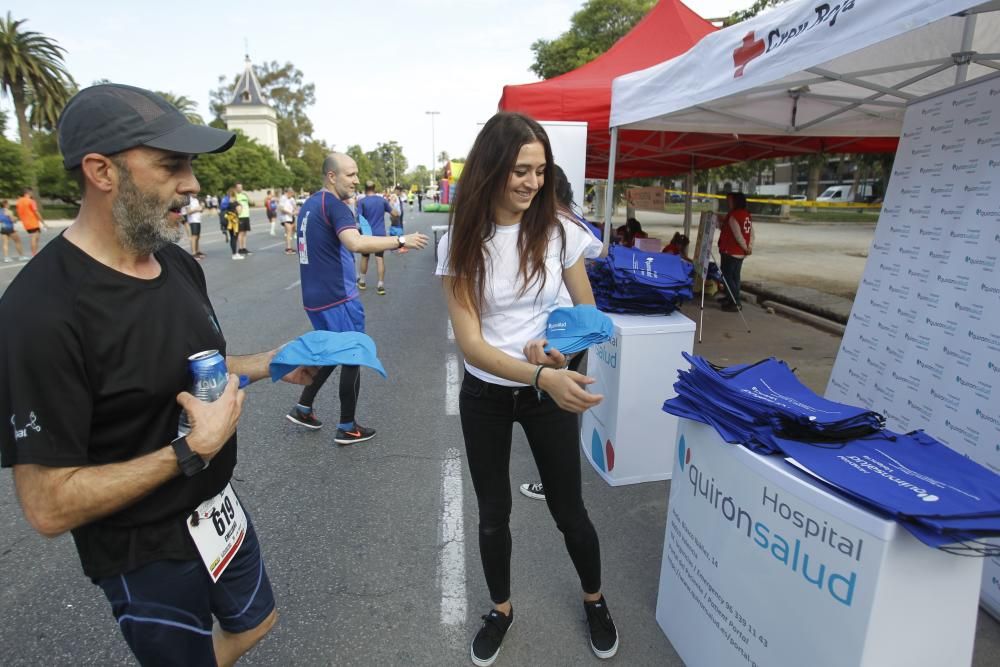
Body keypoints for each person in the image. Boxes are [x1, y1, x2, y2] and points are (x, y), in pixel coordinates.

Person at [0, 83, 317, 667]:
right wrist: (190, 451)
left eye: (191, 165)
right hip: (140, 548)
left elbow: (192, 371)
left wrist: (275, 361)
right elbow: (47, 506)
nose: (192, 183)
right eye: (171, 165)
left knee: (257, 621)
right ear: (101, 170)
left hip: (215, 510)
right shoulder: (40, 312)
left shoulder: (172, 261)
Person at [436, 112, 619, 666]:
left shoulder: (560, 232)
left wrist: (556, 351)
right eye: (520, 170)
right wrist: (539, 372)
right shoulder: (461, 243)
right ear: (491, 169)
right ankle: (501, 609)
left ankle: (595, 599)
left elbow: (586, 316)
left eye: (540, 171)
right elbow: (473, 345)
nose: (532, 183)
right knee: (493, 513)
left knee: (569, 509)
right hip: (487, 395)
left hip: (546, 391)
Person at [287, 152, 428, 444]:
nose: (356, 180)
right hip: (338, 297)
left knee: (333, 351)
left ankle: (303, 407)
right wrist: (401, 240)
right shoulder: (335, 206)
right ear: (332, 176)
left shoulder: (311, 204)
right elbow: (355, 242)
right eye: (350, 174)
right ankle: (347, 426)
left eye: (356, 174)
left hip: (315, 297)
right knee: (354, 355)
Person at [518, 163, 603, 503]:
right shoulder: (569, 220)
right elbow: (598, 251)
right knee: (557, 404)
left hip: (565, 330)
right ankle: (558, 480)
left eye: (537, 180)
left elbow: (593, 255)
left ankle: (555, 484)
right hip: (568, 328)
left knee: (555, 408)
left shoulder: (561, 224)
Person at [356, 181, 399, 295]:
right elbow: (395, 213)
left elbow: (358, 218)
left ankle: (362, 281)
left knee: (365, 257)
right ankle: (380, 285)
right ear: (374, 188)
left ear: (365, 189)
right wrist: (393, 205)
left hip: (367, 234)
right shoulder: (382, 201)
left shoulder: (361, 202)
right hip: (380, 234)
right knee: (380, 259)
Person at [717, 191, 754, 312]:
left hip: (731, 251)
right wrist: (749, 247)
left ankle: (735, 302)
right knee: (735, 277)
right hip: (740, 253)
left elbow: (738, 235)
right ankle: (730, 297)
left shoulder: (734, 216)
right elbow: (751, 233)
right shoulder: (746, 215)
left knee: (728, 277)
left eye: (730, 201)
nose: (728, 203)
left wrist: (745, 247)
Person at [15, 187, 46, 255]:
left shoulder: (19, 201)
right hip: (33, 222)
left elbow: (18, 212)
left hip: (25, 223)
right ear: (29, 192)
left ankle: (34, 253)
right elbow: (36, 212)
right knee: (35, 238)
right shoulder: (30, 201)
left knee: (33, 237)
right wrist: (42, 222)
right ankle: (34, 254)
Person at [278, 188, 297, 255]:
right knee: (288, 232)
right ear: (288, 192)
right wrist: (290, 213)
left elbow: (295, 207)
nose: (292, 195)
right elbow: (281, 208)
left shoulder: (291, 199)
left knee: (294, 230)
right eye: (291, 194)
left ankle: (290, 246)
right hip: (285, 217)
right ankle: (288, 248)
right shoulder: (283, 198)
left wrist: (295, 211)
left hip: (292, 217)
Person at [234, 182, 251, 255]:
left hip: (246, 216)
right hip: (240, 216)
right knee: (240, 233)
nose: (240, 188)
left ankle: (244, 247)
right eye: (238, 187)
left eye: (241, 187)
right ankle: (240, 248)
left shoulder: (244, 195)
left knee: (245, 233)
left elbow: (248, 202)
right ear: (236, 188)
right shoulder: (235, 196)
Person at [186, 193, 205, 259]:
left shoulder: (196, 200)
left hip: (198, 220)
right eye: (194, 193)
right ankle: (193, 253)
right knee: (194, 236)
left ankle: (197, 251)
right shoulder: (188, 200)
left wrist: (202, 208)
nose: (196, 194)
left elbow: (201, 210)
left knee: (198, 236)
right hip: (192, 220)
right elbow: (188, 212)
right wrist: (196, 209)